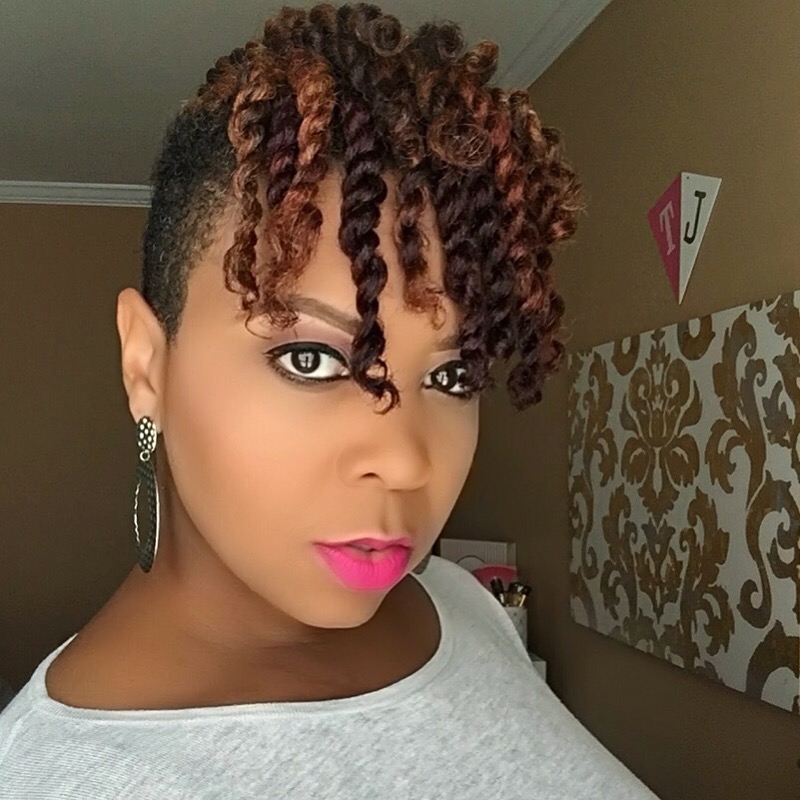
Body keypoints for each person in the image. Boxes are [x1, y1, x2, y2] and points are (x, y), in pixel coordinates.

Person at [0, 4, 659, 798]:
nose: (406, 460)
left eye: (453, 376)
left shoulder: (461, 606)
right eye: (310, 359)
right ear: (147, 366)